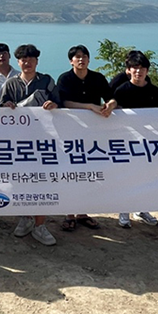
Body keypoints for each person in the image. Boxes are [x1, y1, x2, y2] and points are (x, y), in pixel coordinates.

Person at [0, 44, 58, 247]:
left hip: (43, 141)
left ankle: (40, 224)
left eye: (31, 59)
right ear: (18, 62)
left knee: (41, 181)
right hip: (18, 142)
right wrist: (6, 106)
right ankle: (25, 217)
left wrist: (54, 105)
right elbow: (1, 108)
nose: (27, 62)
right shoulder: (11, 83)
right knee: (21, 180)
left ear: (37, 61)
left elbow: (60, 104)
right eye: (23, 59)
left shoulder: (47, 81)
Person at [56, 45, 117, 232]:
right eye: (77, 57)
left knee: (88, 173)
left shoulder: (98, 78)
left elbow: (111, 97)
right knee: (70, 172)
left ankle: (82, 213)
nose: (81, 59)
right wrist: (90, 106)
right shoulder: (65, 79)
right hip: (70, 132)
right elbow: (64, 102)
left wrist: (110, 105)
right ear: (71, 61)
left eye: (84, 56)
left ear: (89, 59)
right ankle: (69, 214)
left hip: (93, 134)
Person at [113, 51, 158, 229]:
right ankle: (124, 210)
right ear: (129, 70)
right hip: (126, 141)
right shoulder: (121, 91)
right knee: (126, 176)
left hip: (148, 143)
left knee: (146, 177)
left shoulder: (155, 92)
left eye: (142, 68)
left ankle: (142, 209)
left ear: (147, 71)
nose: (138, 71)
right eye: (135, 68)